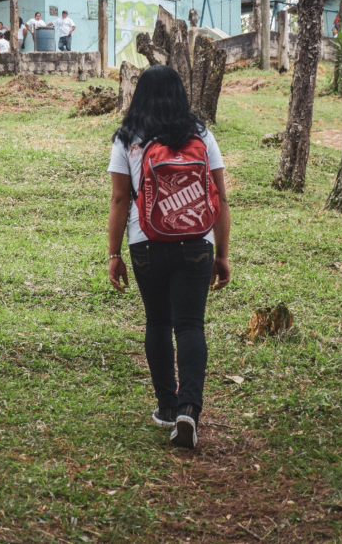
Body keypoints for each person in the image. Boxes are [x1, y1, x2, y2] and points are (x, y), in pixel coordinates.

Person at [106, 65, 232, 450]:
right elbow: (221, 198)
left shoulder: (128, 137)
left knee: (158, 322)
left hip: (145, 243)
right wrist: (223, 254)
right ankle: (188, 411)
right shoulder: (200, 134)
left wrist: (113, 254)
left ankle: (166, 406)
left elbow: (118, 200)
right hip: (197, 241)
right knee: (191, 325)